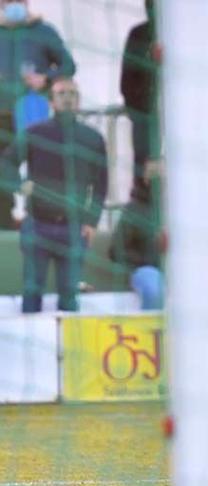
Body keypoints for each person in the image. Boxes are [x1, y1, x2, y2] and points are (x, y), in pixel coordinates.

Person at [0, 78, 106, 313]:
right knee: (32, 291)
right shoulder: (35, 133)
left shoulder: (93, 139)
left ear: (78, 101)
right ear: (51, 101)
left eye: (72, 94)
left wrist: (91, 220)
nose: (67, 98)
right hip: (38, 226)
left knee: (70, 295)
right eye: (61, 93)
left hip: (74, 228)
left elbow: (101, 184)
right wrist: (19, 184)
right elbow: (6, 163)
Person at [0, 0, 76, 229]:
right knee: (3, 167)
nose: (13, 4)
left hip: (33, 115)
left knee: (41, 167)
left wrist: (46, 78)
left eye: (18, 0)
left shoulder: (44, 31)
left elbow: (68, 65)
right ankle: (5, 219)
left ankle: (43, 220)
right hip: (1, 116)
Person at [120, 0, 162, 187]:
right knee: (145, 173)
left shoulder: (188, 36)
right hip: (145, 117)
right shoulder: (138, 35)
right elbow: (127, 80)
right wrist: (138, 112)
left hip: (181, 120)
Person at [108, 177, 164, 310]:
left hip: (180, 271)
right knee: (154, 290)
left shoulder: (178, 208)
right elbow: (115, 250)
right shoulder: (134, 210)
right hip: (147, 270)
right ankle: (150, 330)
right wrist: (149, 257)